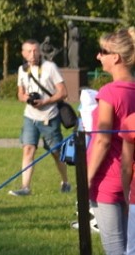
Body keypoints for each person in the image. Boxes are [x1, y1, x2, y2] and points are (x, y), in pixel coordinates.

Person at [88, 27, 135, 255]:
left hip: (107, 180)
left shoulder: (109, 92)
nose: (98, 56)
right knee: (130, 246)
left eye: (102, 51)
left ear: (115, 57)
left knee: (115, 248)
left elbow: (102, 142)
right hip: (130, 179)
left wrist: (85, 178)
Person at [9, 38, 71, 196]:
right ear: (23, 53)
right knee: (28, 149)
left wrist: (46, 101)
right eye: (29, 51)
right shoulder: (22, 70)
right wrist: (26, 99)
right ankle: (25, 187)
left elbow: (63, 92)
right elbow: (20, 93)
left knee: (56, 152)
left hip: (49, 116)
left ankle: (65, 181)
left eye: (36, 50)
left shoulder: (50, 67)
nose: (33, 54)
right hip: (30, 116)